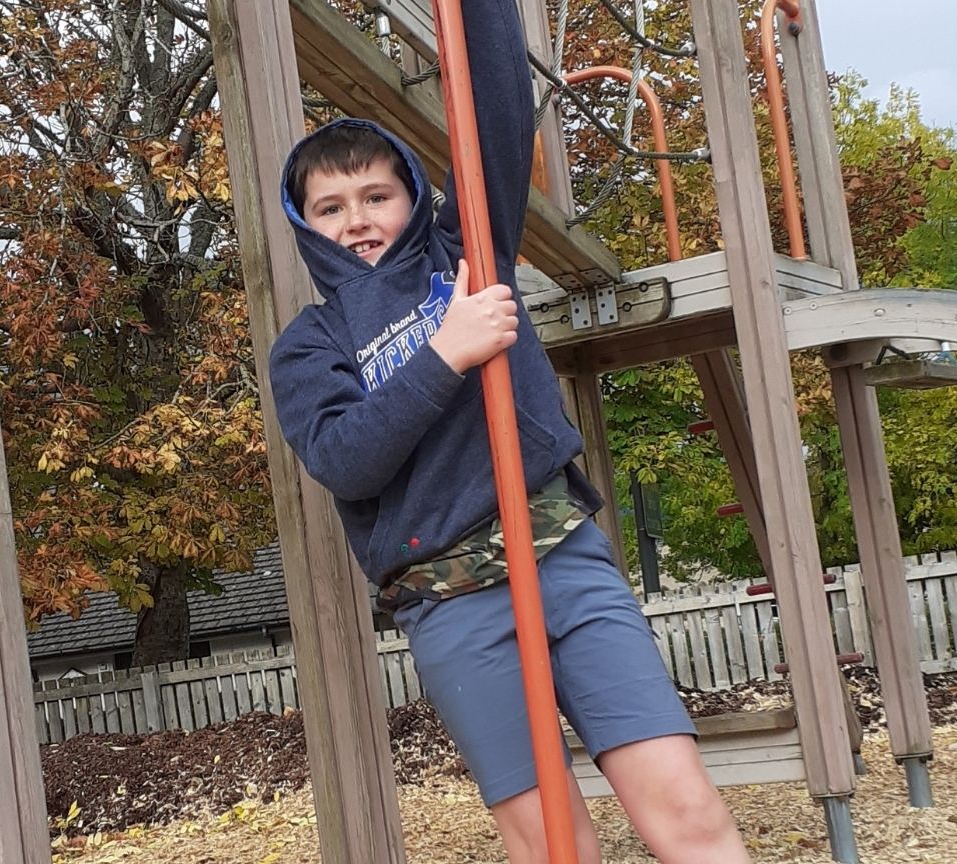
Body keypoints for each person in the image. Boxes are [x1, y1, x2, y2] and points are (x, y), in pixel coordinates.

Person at [264, 3, 753, 862]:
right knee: (556, 848)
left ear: (411, 196)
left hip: (562, 558)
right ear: (307, 225)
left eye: (376, 194)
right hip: (450, 604)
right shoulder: (311, 344)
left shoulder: (467, 252)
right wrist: (447, 355)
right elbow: (346, 461)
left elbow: (495, 106)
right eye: (332, 206)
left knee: (687, 813)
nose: (359, 219)